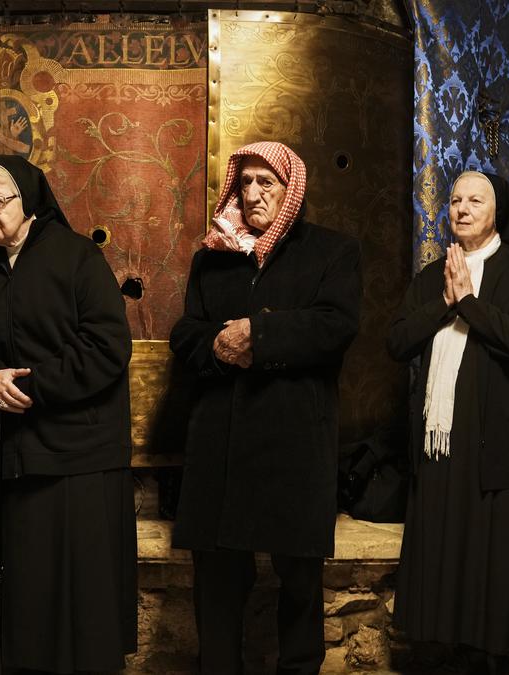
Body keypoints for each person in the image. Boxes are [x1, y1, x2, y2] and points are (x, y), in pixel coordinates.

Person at [169, 141, 361, 675]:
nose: (252, 194)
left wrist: (262, 335)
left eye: (266, 183)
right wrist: (215, 345)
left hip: (292, 441)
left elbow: (335, 325)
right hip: (221, 443)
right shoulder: (213, 256)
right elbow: (185, 332)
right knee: (218, 581)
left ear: (290, 189)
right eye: (245, 182)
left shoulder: (333, 251)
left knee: (299, 580)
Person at [0, 155, 136, 673]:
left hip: (76, 455)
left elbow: (107, 348)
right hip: (8, 455)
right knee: (20, 614)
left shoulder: (77, 258)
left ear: (28, 201)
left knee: (79, 616)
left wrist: (29, 387)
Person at [388, 171, 509, 671]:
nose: (462, 208)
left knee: (487, 555)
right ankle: (443, 645)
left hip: (495, 442)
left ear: (499, 212)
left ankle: (490, 654)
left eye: (476, 200)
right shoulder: (433, 277)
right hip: (440, 442)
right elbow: (397, 340)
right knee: (444, 548)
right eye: (454, 200)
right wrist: (446, 302)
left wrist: (469, 302)